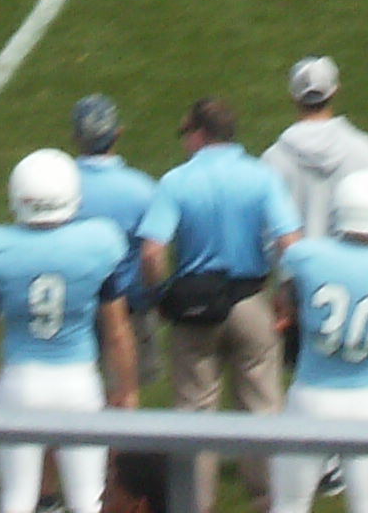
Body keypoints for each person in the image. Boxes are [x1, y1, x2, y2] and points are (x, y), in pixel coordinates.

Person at [137, 97, 302, 513]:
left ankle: (195, 505)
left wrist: (160, 297)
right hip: (251, 302)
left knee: (194, 415)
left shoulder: (176, 181)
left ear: (199, 133)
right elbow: (291, 243)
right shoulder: (261, 177)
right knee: (262, 410)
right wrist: (286, 293)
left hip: (195, 312)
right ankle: (269, 500)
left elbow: (152, 253)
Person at [0, 150, 139, 513]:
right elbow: (117, 333)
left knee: (16, 497)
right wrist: (126, 389)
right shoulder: (98, 243)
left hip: (20, 382)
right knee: (87, 498)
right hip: (78, 382)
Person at [272, 174, 368, 513]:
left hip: (310, 395)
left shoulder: (306, 257)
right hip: (366, 399)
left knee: (290, 504)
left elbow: (286, 318)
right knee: (366, 505)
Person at [69, 100, 159, 383]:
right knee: (125, 394)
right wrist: (155, 296)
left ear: (76, 137)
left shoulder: (61, 184)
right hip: (128, 309)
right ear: (118, 133)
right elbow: (152, 255)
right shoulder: (143, 189)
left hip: (73, 311)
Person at [264, 61, 368, 241]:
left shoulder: (272, 159)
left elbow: (265, 228)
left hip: (294, 259)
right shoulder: (365, 149)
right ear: (335, 90)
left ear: (293, 96)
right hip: (352, 259)